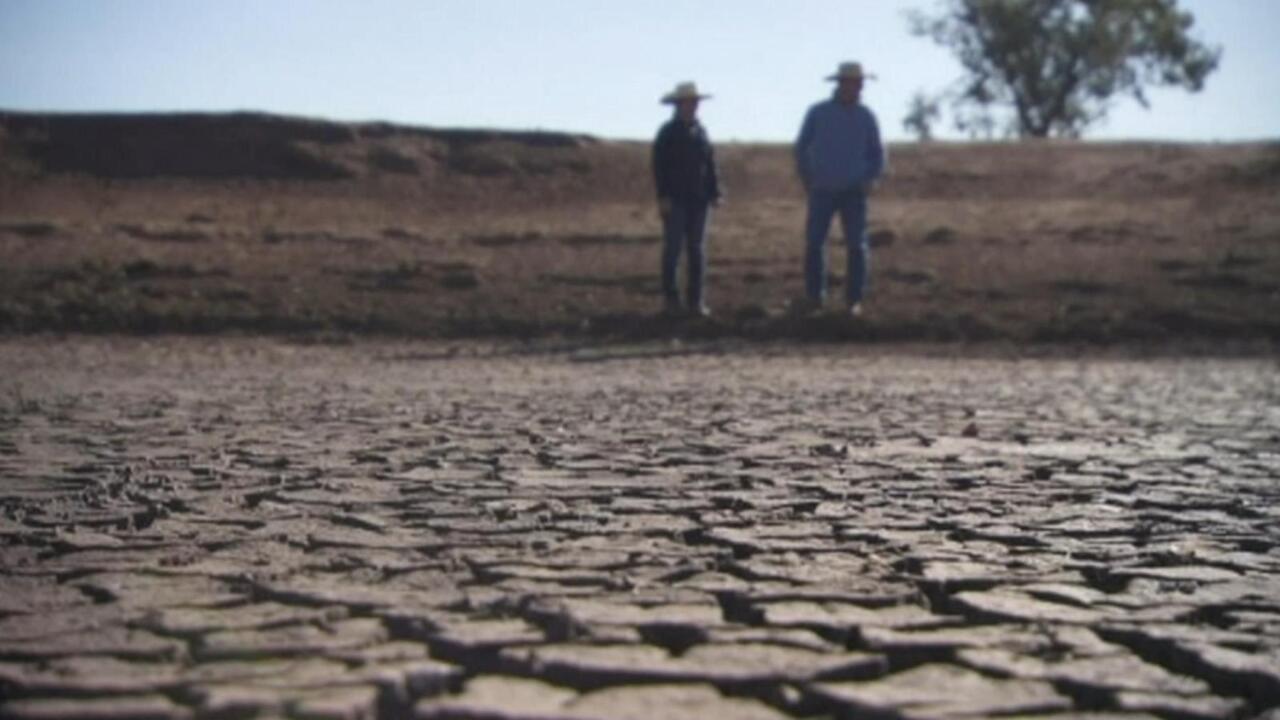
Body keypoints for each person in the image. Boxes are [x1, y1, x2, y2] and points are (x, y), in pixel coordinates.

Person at [794, 62, 886, 317]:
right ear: (841, 84)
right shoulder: (818, 112)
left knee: (857, 245)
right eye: (853, 83)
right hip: (822, 189)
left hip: (854, 192)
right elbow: (801, 146)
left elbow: (877, 153)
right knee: (815, 243)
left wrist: (871, 178)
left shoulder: (866, 116)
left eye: (860, 84)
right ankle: (815, 299)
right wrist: (807, 176)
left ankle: (853, 301)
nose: (858, 88)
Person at [652, 81, 722, 317]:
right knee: (673, 250)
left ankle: (696, 301)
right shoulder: (667, 133)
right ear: (678, 105)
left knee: (696, 250)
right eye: (688, 102)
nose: (693, 107)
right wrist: (663, 196)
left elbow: (709, 164)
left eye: (695, 102)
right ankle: (671, 300)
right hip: (676, 200)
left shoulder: (701, 132)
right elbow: (659, 167)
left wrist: (714, 192)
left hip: (699, 200)